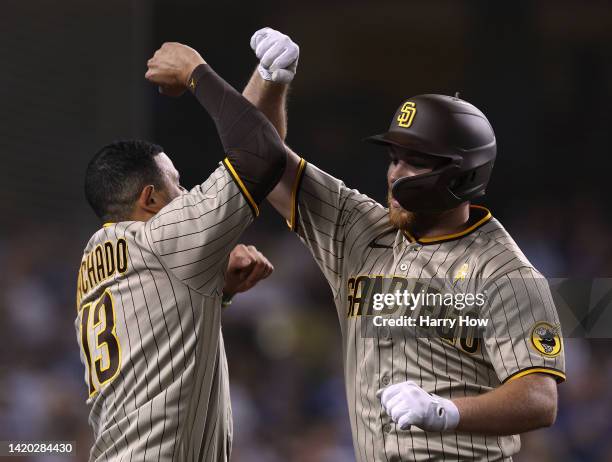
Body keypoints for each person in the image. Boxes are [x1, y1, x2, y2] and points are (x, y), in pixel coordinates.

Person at [244, 28, 565, 460]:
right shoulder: (358, 229)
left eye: (415, 162)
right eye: (394, 157)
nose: (396, 173)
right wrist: (270, 78)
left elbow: (539, 399)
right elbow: (259, 159)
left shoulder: (504, 271)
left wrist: (445, 411)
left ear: (460, 175)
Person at [75, 42, 286, 461]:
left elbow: (160, 329)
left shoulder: (92, 259)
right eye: (177, 182)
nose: (187, 192)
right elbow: (262, 153)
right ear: (150, 199)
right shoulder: (162, 239)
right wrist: (195, 71)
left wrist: (217, 287)